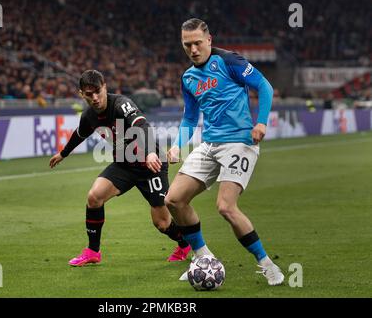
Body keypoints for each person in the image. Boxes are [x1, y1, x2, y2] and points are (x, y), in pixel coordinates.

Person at [165, 18, 284, 286]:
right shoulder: (188, 78)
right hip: (209, 144)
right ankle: (203, 257)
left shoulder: (229, 61)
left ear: (209, 40)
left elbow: (264, 86)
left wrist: (261, 121)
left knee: (225, 207)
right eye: (187, 45)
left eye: (197, 43)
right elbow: (189, 118)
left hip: (239, 142)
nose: (193, 49)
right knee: (173, 200)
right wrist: (176, 146)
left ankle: (267, 264)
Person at [49, 69, 190, 266]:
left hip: (152, 165)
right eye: (89, 95)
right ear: (82, 94)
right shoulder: (89, 116)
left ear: (105, 87)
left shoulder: (121, 105)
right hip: (124, 164)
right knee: (94, 197)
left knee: (162, 223)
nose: (95, 98)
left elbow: (142, 126)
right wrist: (63, 153)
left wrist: (150, 152)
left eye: (98, 91)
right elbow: (80, 134)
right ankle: (92, 251)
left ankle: (185, 243)